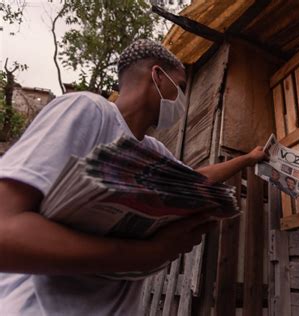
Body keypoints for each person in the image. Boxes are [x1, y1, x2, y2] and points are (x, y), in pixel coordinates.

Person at [0, 39, 266, 315]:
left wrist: (248, 158)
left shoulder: (153, 150)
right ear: (157, 76)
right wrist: (147, 255)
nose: (183, 101)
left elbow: (197, 179)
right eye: (181, 88)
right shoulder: (88, 109)